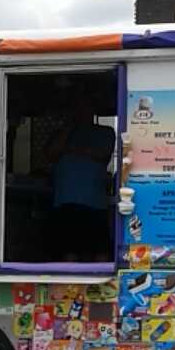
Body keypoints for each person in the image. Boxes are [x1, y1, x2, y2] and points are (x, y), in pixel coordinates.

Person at [47, 93, 115, 260]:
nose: (80, 111)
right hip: (66, 200)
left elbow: (103, 154)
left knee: (100, 252)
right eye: (76, 107)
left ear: (93, 110)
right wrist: (68, 129)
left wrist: (71, 150)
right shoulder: (62, 133)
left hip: (94, 201)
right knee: (69, 252)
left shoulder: (105, 132)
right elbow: (50, 153)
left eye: (84, 107)